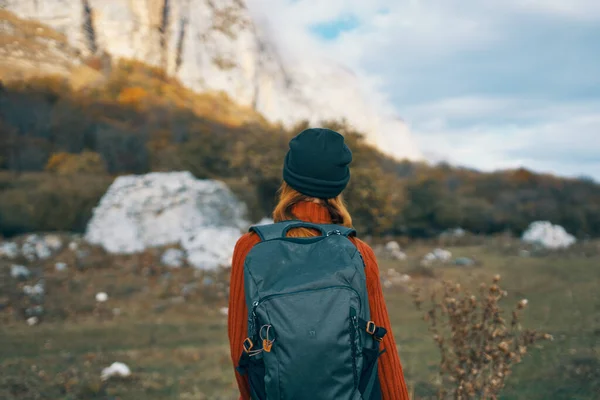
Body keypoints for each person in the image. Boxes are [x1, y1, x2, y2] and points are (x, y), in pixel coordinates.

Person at [228, 128, 409, 399]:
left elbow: (241, 348)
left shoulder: (251, 246)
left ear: (288, 178)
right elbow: (383, 351)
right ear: (339, 184)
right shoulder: (357, 251)